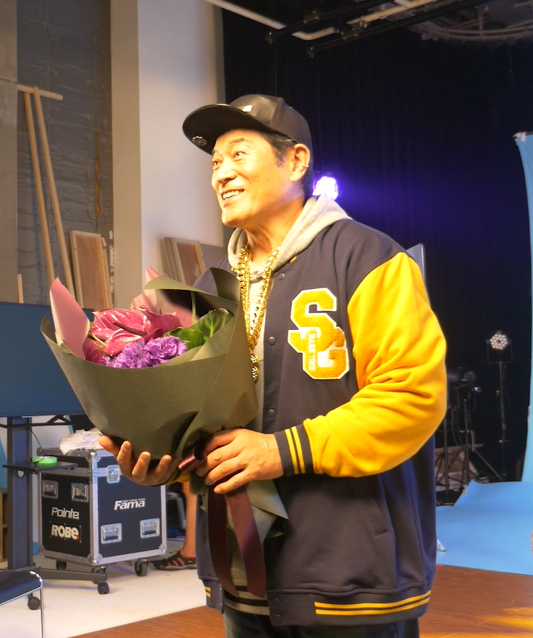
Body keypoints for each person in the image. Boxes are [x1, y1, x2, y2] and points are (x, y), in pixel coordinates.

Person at [99, 94, 447, 637]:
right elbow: (203, 421)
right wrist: (165, 460)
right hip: (245, 573)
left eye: (239, 154)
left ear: (297, 161)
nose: (221, 174)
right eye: (215, 162)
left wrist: (280, 451)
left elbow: (412, 397)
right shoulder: (210, 288)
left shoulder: (369, 258)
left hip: (350, 574)